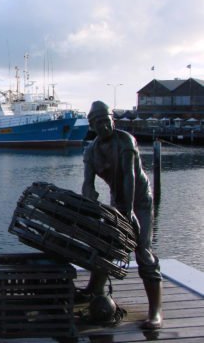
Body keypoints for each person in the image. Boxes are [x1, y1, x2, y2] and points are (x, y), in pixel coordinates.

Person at [79, 100, 163, 330]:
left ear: (112, 120)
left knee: (143, 252)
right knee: (106, 245)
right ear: (92, 126)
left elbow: (129, 176)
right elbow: (88, 184)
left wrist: (129, 212)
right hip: (119, 200)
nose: (104, 126)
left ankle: (155, 311)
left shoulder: (125, 141)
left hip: (139, 201)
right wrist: (88, 205)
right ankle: (93, 289)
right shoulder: (91, 151)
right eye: (99, 123)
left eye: (107, 121)